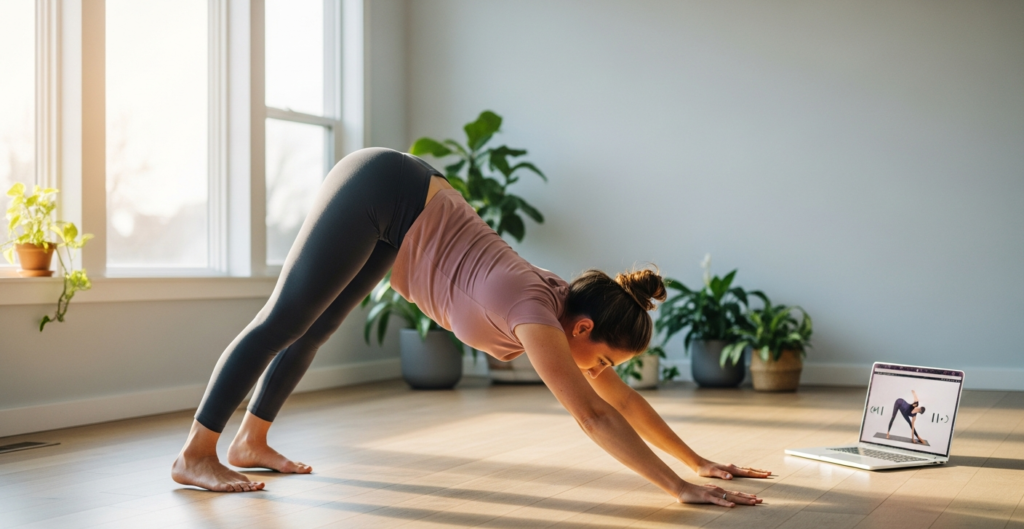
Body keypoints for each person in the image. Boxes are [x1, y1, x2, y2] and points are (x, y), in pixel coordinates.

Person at [171, 148, 770, 507]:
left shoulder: (565, 311)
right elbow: (593, 414)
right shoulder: (535, 312)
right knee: (283, 320)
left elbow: (620, 400)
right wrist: (675, 489)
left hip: (405, 215)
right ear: (582, 328)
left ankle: (251, 442)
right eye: (605, 359)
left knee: (316, 328)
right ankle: (197, 453)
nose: (603, 374)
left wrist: (698, 463)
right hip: (384, 186)